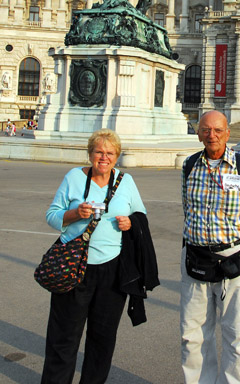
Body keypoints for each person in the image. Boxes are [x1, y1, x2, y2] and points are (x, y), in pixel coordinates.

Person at [41, 129, 147, 384]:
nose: (104, 157)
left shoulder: (126, 181)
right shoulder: (74, 178)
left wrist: (129, 223)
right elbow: (52, 216)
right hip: (74, 266)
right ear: (90, 154)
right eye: (99, 151)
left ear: (117, 156)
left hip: (112, 270)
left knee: (102, 339)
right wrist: (75, 213)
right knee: (64, 338)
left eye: (110, 153)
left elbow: (141, 215)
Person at [180, 110, 240, 384]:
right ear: (198, 132)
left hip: (233, 260)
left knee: (236, 334)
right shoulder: (190, 165)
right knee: (192, 335)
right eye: (206, 129)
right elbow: (187, 207)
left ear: (228, 133)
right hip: (195, 259)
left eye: (217, 130)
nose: (211, 135)